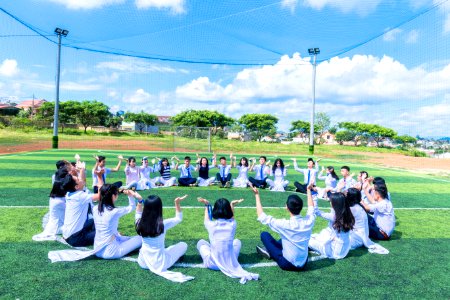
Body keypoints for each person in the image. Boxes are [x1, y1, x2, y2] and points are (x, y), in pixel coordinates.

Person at [197, 197, 259, 284]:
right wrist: (232, 204)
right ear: (228, 210)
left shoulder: (210, 224)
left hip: (212, 264)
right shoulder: (232, 224)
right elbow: (232, 217)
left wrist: (207, 204)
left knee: (201, 242)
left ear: (215, 210)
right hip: (231, 263)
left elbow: (206, 218)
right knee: (237, 241)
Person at [135, 194, 194, 282]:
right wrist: (177, 203)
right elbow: (179, 218)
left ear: (146, 208)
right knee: (183, 245)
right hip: (160, 263)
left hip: (142, 262)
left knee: (168, 249)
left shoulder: (139, 222)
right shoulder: (162, 224)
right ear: (159, 208)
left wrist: (140, 200)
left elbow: (138, 213)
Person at [254, 186, 315, 271]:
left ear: (287, 207)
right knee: (283, 240)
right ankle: (272, 251)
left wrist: (257, 195)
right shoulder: (309, 221)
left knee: (264, 235)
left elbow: (261, 216)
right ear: (301, 207)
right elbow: (311, 207)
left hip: (287, 264)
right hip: (304, 264)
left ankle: (270, 253)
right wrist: (308, 190)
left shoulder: (285, 224)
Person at [93, 186, 142, 259]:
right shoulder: (114, 211)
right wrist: (131, 196)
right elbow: (132, 207)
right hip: (112, 252)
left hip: (97, 250)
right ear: (113, 196)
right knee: (141, 238)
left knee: (123, 237)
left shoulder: (95, 208)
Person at [61, 167, 101, 247]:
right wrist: (99, 177)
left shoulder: (69, 193)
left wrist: (81, 170)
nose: (80, 179)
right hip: (76, 238)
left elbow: (81, 182)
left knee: (95, 220)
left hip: (68, 234)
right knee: (106, 234)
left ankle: (94, 232)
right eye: (78, 179)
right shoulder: (80, 196)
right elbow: (100, 196)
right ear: (76, 187)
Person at [308, 191, 355, 259]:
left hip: (334, 252)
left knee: (308, 240)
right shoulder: (347, 213)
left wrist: (314, 198)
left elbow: (316, 211)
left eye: (331, 201)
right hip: (344, 248)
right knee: (317, 236)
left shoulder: (334, 216)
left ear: (335, 204)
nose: (330, 202)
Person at [346, 188, 389, 254]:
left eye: (346, 194)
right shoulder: (357, 206)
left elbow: (337, 219)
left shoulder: (352, 208)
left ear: (350, 197)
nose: (344, 196)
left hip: (358, 238)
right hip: (362, 235)